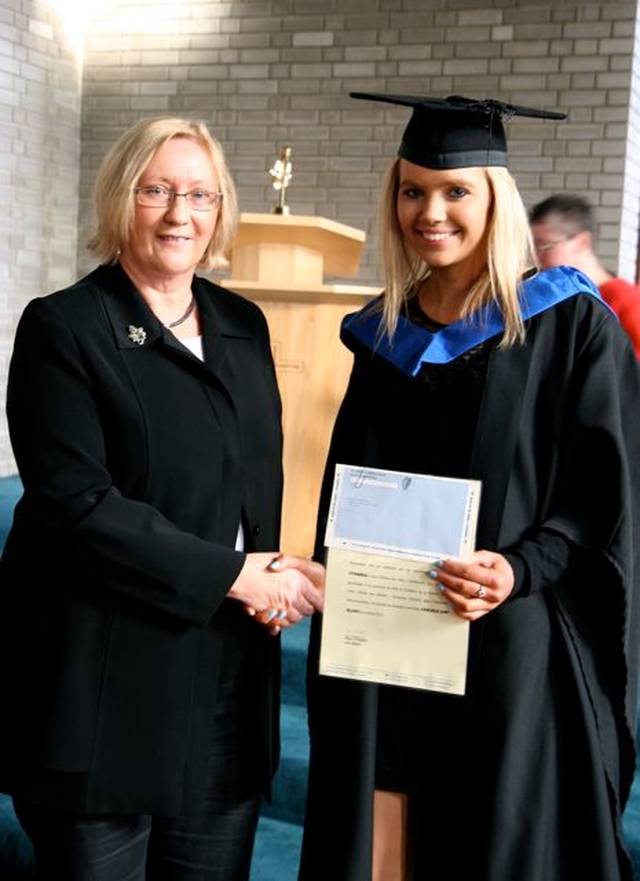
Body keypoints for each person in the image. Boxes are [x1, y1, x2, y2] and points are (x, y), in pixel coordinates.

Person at [298, 93, 640, 881]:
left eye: (456, 191)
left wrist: (519, 568)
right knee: (380, 842)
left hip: (505, 641)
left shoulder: (568, 325)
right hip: (387, 636)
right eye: (413, 190)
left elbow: (603, 495)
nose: (432, 211)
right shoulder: (383, 334)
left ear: (497, 200)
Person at [0, 115, 325, 881]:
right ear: (122, 198)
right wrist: (236, 574)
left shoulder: (242, 325)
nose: (180, 213)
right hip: (102, 694)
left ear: (220, 209)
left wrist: (266, 566)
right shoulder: (65, 327)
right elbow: (79, 505)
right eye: (157, 190)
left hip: (221, 691)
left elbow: (252, 482)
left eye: (199, 194)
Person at [529, 192, 640, 358]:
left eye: (544, 246)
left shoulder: (627, 302)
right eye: (534, 248)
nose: (537, 258)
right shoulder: (561, 302)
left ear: (582, 242)